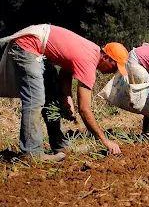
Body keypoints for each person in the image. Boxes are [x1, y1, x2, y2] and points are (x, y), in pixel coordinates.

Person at [0, 24, 128, 160]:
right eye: (115, 66)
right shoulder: (88, 62)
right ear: (106, 58)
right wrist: (104, 140)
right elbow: (85, 110)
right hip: (28, 45)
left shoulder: (91, 51)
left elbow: (66, 69)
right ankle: (32, 153)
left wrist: (67, 98)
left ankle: (60, 144)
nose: (114, 72)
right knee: (35, 99)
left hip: (37, 45)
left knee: (52, 98)